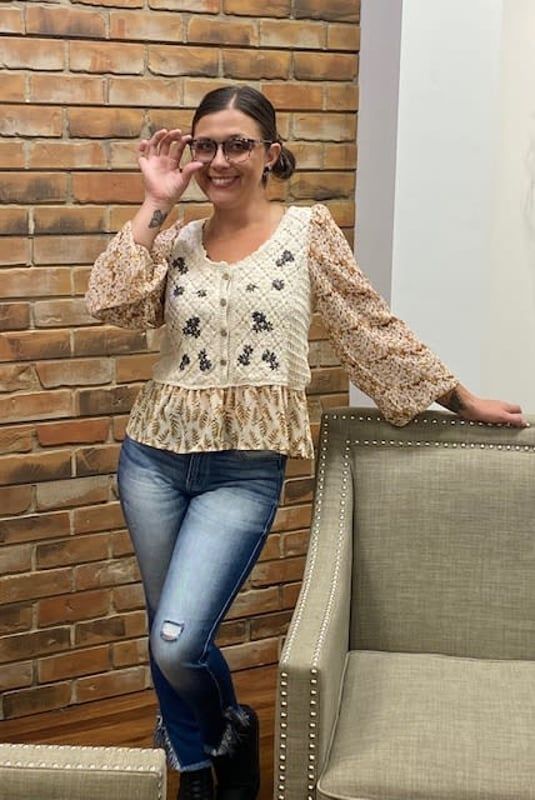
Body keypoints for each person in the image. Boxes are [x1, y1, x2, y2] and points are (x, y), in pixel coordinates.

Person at [85, 85, 526, 800]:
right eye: (207, 145)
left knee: (177, 638)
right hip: (153, 459)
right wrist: (154, 202)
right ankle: (200, 768)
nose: (220, 159)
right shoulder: (174, 242)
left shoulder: (307, 232)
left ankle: (232, 731)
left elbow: (366, 324)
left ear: (269, 153)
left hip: (242, 470)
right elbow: (109, 301)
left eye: (238, 144)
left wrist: (458, 395)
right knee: (162, 628)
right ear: (190, 153)